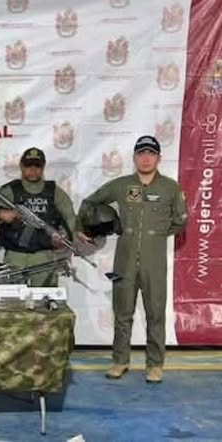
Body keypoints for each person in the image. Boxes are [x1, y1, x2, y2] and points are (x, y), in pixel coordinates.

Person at [77, 135, 188, 383]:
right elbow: (90, 202)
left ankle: (155, 365)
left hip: (154, 263)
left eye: (151, 154)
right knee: (122, 312)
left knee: (155, 314)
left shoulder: (170, 188)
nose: (146, 158)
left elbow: (180, 221)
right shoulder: (121, 185)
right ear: (135, 158)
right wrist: (80, 227)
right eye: (141, 153)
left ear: (159, 158)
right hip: (124, 260)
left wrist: (155, 235)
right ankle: (120, 361)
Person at [0, 147, 76, 287]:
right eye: (28, 165)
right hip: (15, 256)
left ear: (43, 167)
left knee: (44, 298)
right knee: (13, 298)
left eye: (37, 166)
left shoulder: (55, 193)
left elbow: (71, 219)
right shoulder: (9, 191)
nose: (33, 170)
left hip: (44, 257)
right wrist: (0, 214)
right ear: (21, 166)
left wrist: (64, 239)